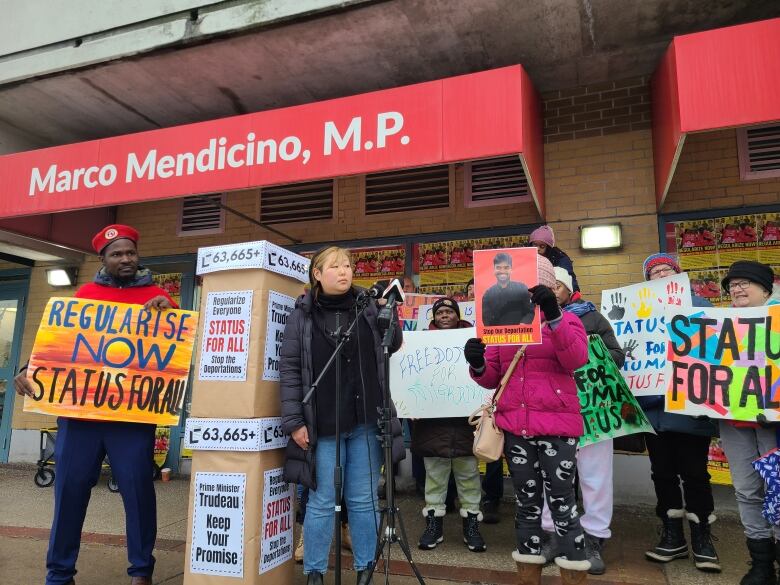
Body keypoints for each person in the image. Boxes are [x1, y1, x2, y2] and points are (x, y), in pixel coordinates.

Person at [14, 224, 177, 585]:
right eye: (117, 253)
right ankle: (59, 573)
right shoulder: (84, 294)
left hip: (132, 418)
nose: (125, 259)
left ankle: (141, 571)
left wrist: (169, 312)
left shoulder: (159, 297)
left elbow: (176, 351)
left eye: (130, 252)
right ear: (102, 259)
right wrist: (29, 368)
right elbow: (59, 344)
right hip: (80, 415)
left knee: (137, 491)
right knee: (69, 490)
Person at [280, 246, 405, 585]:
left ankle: (366, 567)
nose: (343, 271)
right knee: (321, 501)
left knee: (363, 498)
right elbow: (290, 370)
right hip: (322, 424)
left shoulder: (367, 306)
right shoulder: (302, 315)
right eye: (334, 266)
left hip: (366, 421)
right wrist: (294, 422)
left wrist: (389, 312)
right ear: (317, 274)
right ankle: (315, 572)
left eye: (347, 265)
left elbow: (391, 344)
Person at [465, 255, 591, 585]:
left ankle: (573, 574)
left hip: (558, 429)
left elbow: (577, 358)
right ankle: (528, 577)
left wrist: (553, 316)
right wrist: (476, 363)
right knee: (526, 504)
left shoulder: (567, 321)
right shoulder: (503, 324)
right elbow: (492, 376)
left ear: (547, 288)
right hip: (516, 428)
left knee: (564, 503)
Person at [536, 267, 625, 575]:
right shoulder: (532, 321)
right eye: (549, 286)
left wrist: (583, 350)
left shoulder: (593, 318)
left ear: (569, 288)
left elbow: (617, 355)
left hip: (594, 410)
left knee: (595, 476)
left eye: (558, 285)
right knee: (553, 475)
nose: (554, 290)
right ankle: (551, 534)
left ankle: (594, 537)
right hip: (553, 409)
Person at [638, 253, 720, 573]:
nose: (660, 274)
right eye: (653, 272)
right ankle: (672, 534)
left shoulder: (701, 306)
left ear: (678, 273)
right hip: (654, 410)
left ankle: (702, 536)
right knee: (663, 474)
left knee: (696, 474)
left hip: (690, 410)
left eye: (665, 269)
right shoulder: (638, 312)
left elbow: (715, 353)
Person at [718, 260, 780, 585]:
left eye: (745, 283)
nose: (737, 289)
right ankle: (761, 563)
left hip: (774, 424)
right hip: (734, 423)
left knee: (778, 488)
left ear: (766, 289)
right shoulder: (717, 325)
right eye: (732, 284)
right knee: (746, 490)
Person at [412, 298, 486, 552]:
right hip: (433, 426)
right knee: (434, 478)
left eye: (449, 311)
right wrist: (410, 404)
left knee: (469, 478)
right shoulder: (419, 343)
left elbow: (486, 374)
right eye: (440, 312)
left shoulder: (475, 341)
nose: (444, 315)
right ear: (433, 318)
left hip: (467, 423)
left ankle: (472, 528)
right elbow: (410, 378)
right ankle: (433, 527)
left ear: (457, 315)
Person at [481, 252, 534, 326]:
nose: (502, 271)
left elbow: (530, 312)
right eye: (498, 267)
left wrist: (523, 323)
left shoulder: (522, 289)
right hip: (497, 336)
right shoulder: (488, 295)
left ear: (511, 269)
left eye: (506, 267)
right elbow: (486, 320)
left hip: (521, 334)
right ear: (494, 269)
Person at [529, 225, 579, 292]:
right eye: (535, 245)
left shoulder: (560, 259)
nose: (537, 249)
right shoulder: (528, 259)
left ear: (548, 248)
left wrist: (575, 296)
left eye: (542, 246)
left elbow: (570, 279)